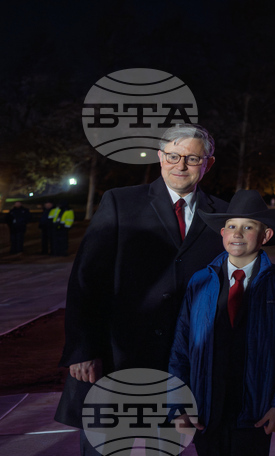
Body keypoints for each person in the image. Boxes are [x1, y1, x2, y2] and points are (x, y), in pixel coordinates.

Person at [55, 124, 228, 456]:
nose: (181, 165)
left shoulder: (222, 217)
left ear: (208, 163)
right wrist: (82, 348)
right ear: (160, 157)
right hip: (115, 357)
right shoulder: (121, 202)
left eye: (192, 158)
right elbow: (86, 280)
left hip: (180, 366)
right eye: (174, 156)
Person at [170, 190, 275, 456]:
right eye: (231, 226)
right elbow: (181, 348)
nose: (237, 233)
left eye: (248, 227)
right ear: (222, 233)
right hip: (206, 411)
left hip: (255, 412)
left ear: (266, 236)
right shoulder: (200, 282)